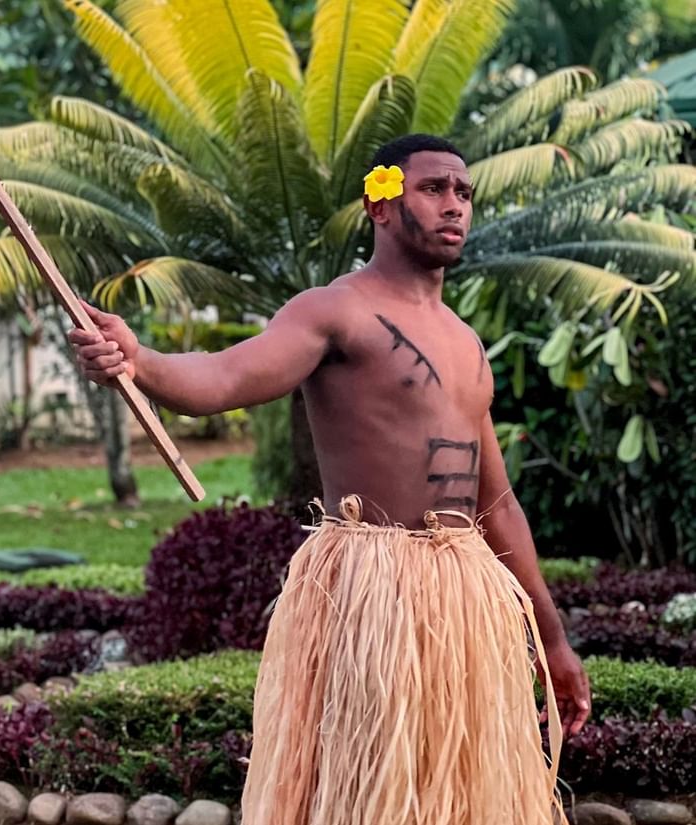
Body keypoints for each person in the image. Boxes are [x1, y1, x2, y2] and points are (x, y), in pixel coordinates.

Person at [69, 133, 590, 825]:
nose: (454, 205)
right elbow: (225, 376)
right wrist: (140, 361)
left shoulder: (466, 342)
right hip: (372, 595)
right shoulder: (335, 310)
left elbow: (496, 504)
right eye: (433, 188)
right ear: (380, 204)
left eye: (463, 192)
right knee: (368, 794)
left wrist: (552, 639)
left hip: (465, 600)